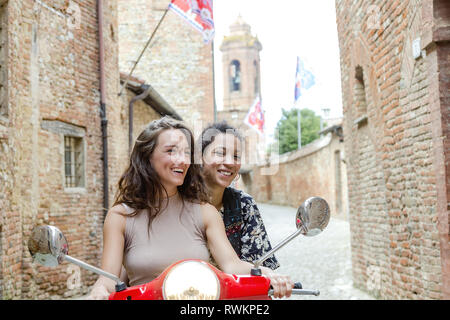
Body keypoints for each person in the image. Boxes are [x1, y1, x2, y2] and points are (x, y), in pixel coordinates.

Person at [87, 116, 293, 299]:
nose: (182, 159)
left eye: (187, 152)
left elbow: (232, 265)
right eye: (171, 151)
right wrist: (98, 291)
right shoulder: (120, 216)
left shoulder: (205, 212)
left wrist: (265, 273)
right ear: (147, 157)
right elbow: (109, 279)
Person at [198, 121, 279, 270]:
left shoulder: (244, 205)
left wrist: (268, 275)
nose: (229, 162)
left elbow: (257, 265)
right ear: (200, 157)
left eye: (236, 156)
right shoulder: (181, 201)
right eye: (220, 153)